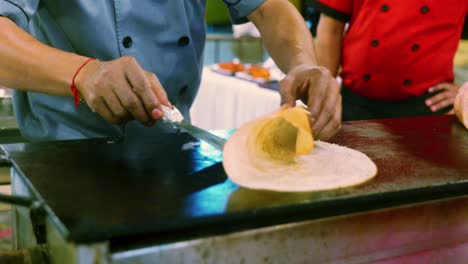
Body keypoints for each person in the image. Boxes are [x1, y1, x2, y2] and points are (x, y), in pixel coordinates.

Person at [0, 0, 341, 142]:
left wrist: (304, 64)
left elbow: (270, 9)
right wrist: (84, 73)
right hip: (68, 153)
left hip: (174, 148)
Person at [311, 0, 468, 121]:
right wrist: (322, 97)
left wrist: (465, 93)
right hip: (353, 103)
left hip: (427, 108)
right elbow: (331, 30)